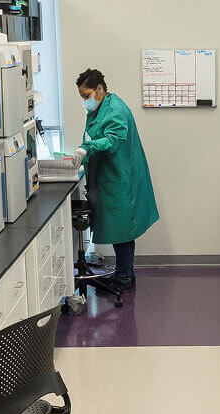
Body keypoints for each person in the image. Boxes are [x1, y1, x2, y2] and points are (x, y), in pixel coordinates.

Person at [71, 68, 159, 292]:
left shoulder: (115, 110)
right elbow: (92, 134)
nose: (85, 101)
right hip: (109, 177)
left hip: (120, 179)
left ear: (99, 90)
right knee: (119, 230)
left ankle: (125, 278)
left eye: (86, 95)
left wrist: (86, 148)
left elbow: (114, 139)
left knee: (122, 230)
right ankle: (124, 273)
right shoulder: (100, 108)